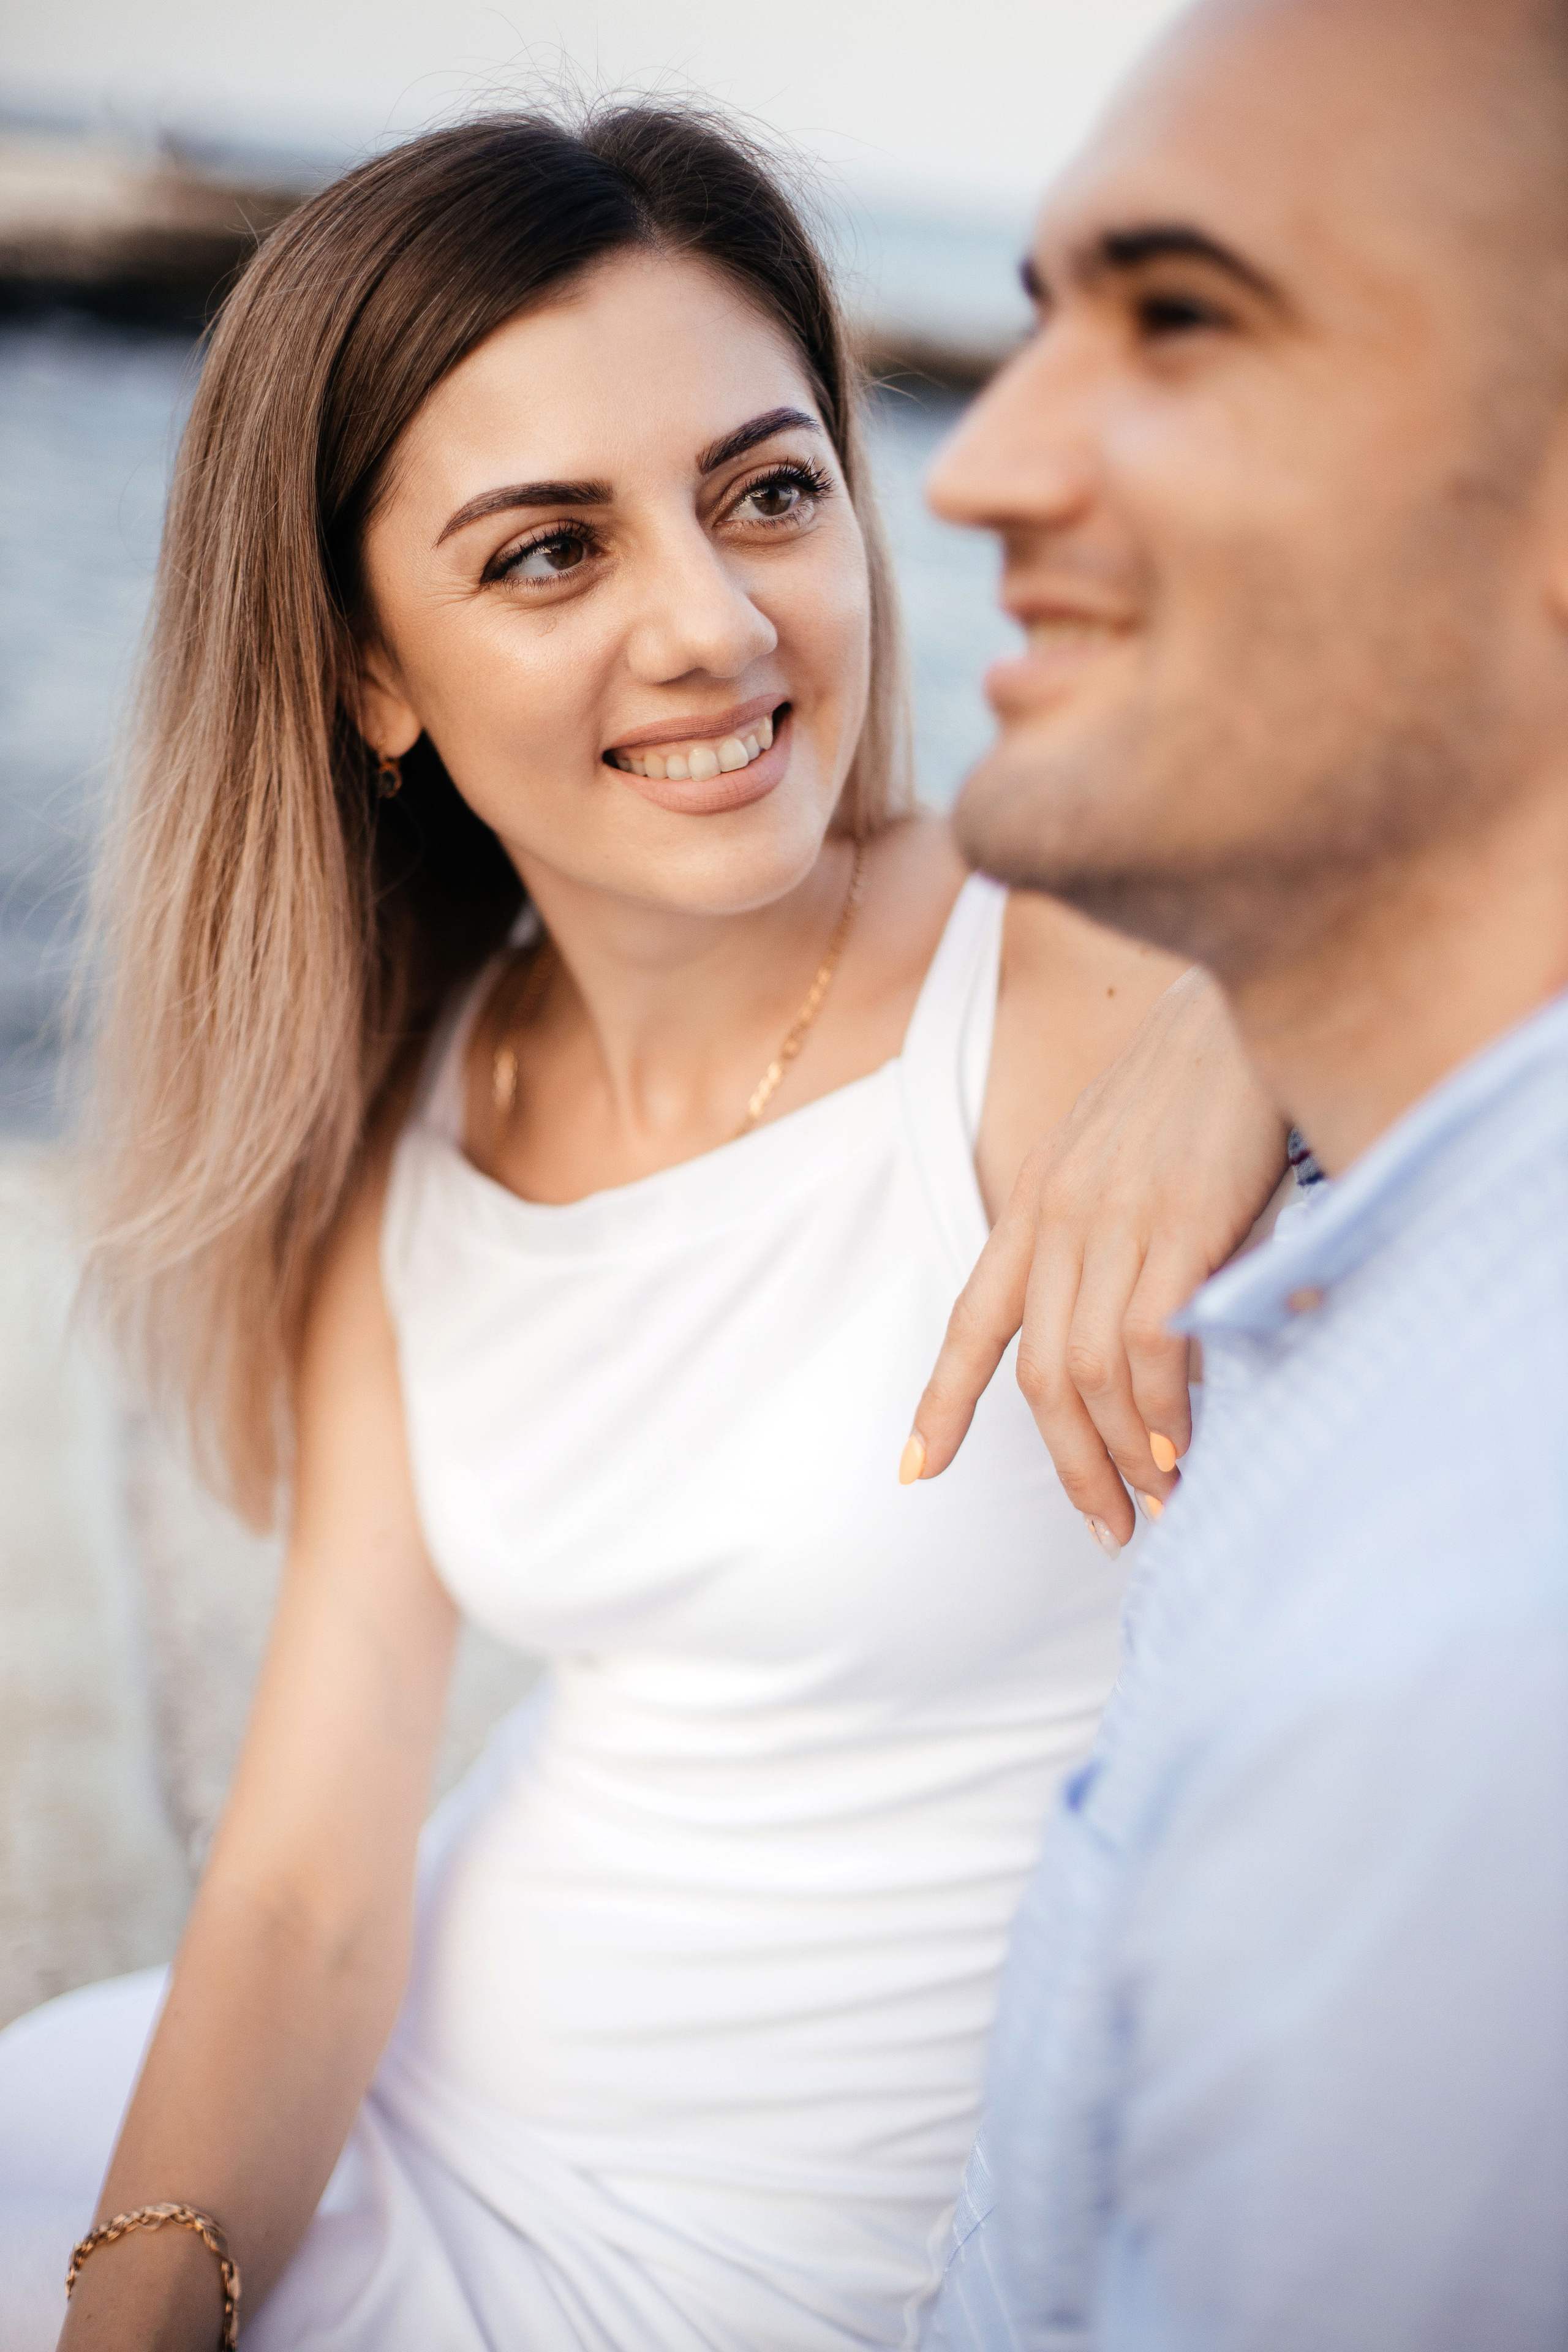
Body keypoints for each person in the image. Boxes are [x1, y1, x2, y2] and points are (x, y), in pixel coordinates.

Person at [0, 107, 1288, 2352]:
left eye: (766, 491)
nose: (710, 624)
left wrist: (1273, 997)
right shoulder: (420, 1113)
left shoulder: (1095, 973)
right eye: (546, 555)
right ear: (370, 678)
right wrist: (153, 2307)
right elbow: (308, 1882)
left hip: (809, 2274)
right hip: (400, 2111)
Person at [908, 0, 1568, 2344]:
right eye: (1036, 322)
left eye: (1180, 318)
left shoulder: (1474, 1683)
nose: (976, 468)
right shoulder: (1366, 1227)